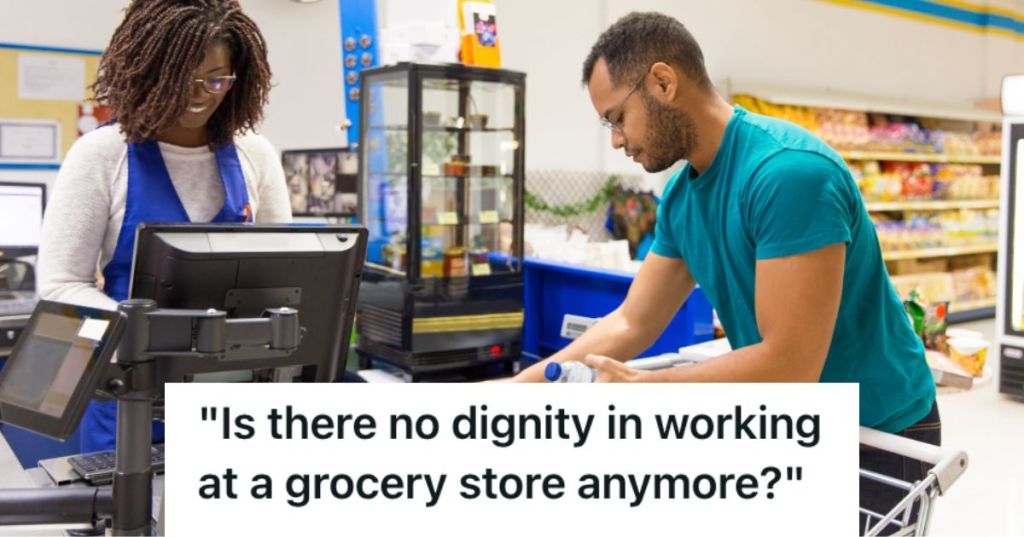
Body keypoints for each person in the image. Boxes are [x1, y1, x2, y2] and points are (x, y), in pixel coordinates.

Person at [509, 12, 938, 532]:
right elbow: (632, 322)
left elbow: (790, 363)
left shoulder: (786, 173)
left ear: (664, 82)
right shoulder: (682, 196)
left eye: (617, 117)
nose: (617, 140)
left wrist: (647, 390)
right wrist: (519, 388)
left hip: (878, 431)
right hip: (796, 423)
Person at [37, 0, 291, 453]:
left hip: (233, 403)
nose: (199, 95)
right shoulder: (101, 156)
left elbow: (286, 272)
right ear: (146, 70)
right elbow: (60, 285)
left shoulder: (256, 154)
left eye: (216, 79)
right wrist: (157, 335)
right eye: (180, 79)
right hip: (132, 396)